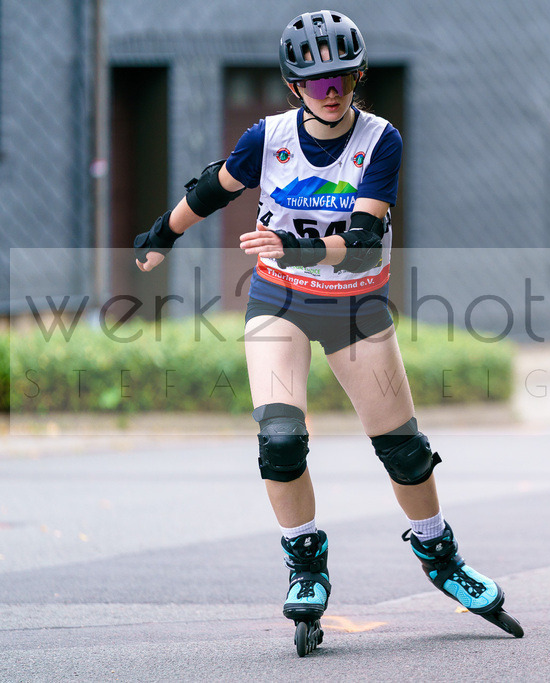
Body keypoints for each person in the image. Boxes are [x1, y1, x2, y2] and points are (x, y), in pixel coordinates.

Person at [134, 9, 521, 655]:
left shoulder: (380, 140)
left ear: (358, 77)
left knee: (404, 451)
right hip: (279, 301)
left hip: (355, 307)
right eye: (317, 82)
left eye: (343, 78)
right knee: (280, 440)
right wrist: (160, 234)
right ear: (295, 86)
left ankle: (440, 556)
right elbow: (213, 188)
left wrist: (291, 246)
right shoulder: (268, 137)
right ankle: (306, 563)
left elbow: (363, 244)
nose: (332, 90)